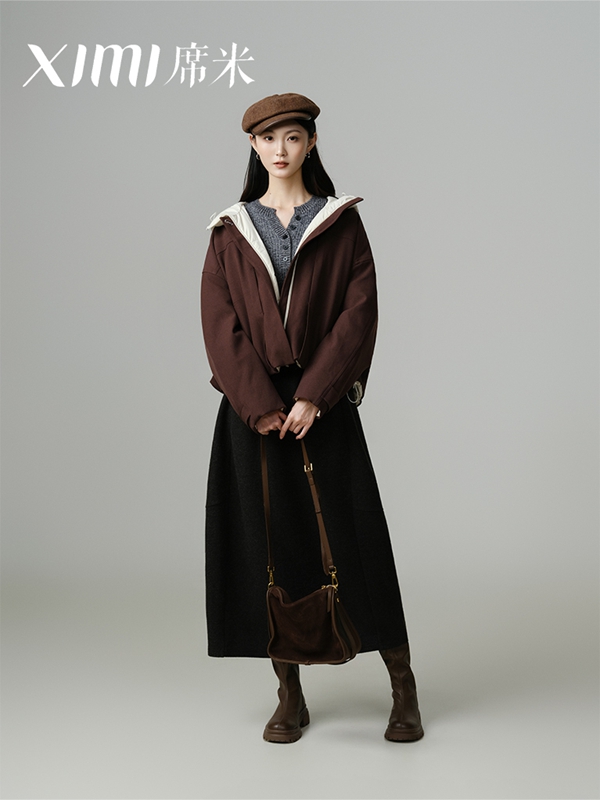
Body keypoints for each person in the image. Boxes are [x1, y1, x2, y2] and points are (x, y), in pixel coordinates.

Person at [200, 92, 424, 744]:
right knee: (273, 548)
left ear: (311, 143)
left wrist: (314, 396)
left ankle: (403, 684)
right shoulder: (229, 231)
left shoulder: (340, 222)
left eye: (292, 137)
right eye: (268, 138)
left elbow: (358, 314)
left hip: (321, 405)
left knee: (357, 542)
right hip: (254, 412)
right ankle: (289, 694)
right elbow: (220, 325)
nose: (280, 149)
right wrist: (260, 406)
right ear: (253, 146)